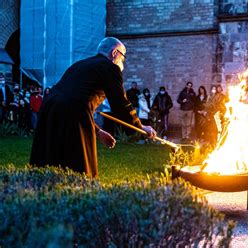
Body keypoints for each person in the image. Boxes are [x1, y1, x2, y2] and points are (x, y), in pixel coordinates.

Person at [30, 37, 156, 178]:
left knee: (50, 155)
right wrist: (139, 126)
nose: (122, 62)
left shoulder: (80, 65)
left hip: (50, 108)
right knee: (79, 162)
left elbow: (74, 98)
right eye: (123, 57)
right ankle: (78, 189)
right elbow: (120, 102)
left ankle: (44, 185)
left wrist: (97, 130)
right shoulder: (110, 67)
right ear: (115, 53)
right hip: (72, 111)